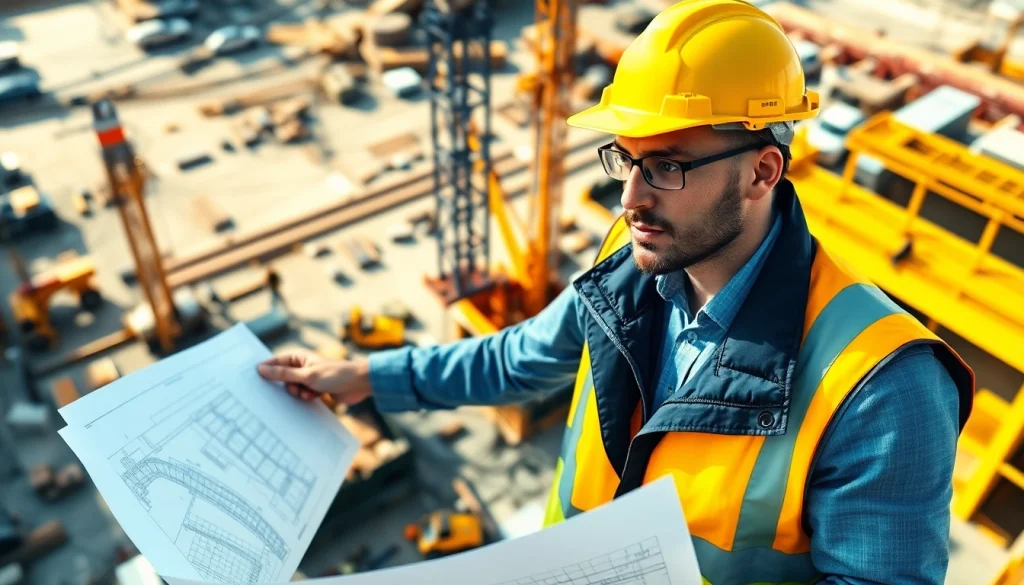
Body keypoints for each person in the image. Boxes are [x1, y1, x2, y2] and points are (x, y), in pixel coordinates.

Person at [257, 1, 975, 583]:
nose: (629, 196)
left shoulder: (884, 382)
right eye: (626, 160)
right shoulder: (631, 266)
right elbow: (520, 358)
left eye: (665, 165)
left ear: (761, 173)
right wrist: (367, 377)